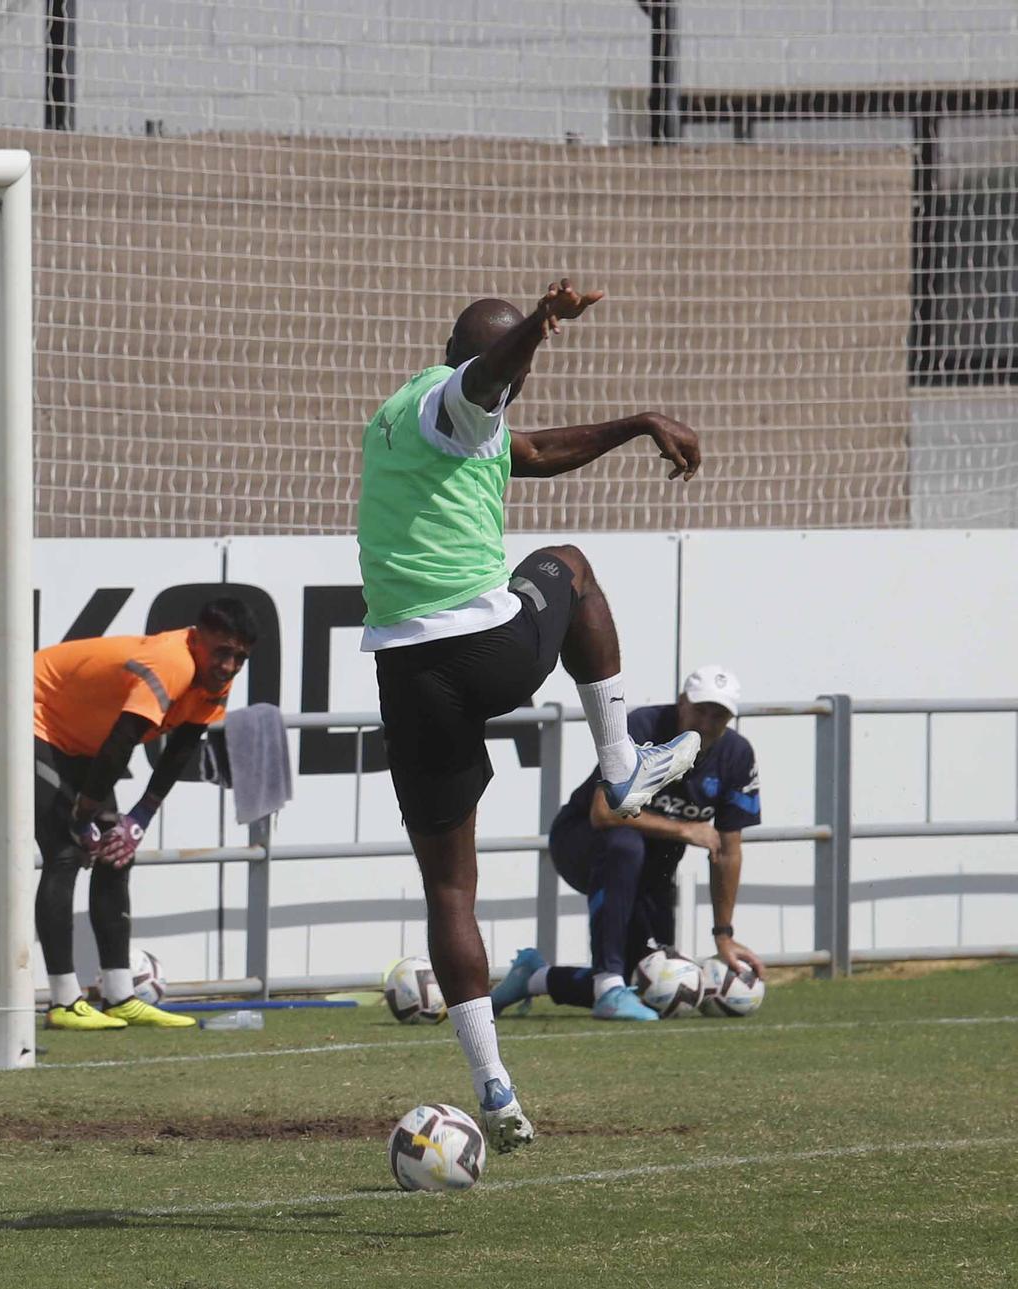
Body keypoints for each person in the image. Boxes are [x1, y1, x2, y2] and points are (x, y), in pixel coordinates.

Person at [357, 280, 706, 1153]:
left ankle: (495, 1089)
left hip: (406, 674)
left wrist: (636, 423)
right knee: (570, 564)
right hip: (478, 648)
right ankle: (622, 763)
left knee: (449, 890)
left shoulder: (404, 413)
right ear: (480, 363)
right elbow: (486, 381)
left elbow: (538, 450)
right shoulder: (460, 396)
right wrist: (537, 332)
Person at [494, 664, 767, 1020]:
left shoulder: (737, 756)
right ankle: (608, 983)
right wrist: (685, 830)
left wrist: (724, 936)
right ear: (682, 702)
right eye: (700, 709)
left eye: (719, 715)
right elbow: (604, 812)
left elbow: (727, 852)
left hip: (652, 868)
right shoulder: (644, 727)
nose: (707, 722)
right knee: (625, 843)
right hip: (583, 841)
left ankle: (535, 978)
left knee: (651, 984)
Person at [32, 599, 255, 1030]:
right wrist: (84, 816)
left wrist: (139, 819)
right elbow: (125, 738)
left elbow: (182, 747)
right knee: (65, 853)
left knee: (116, 854)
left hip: (82, 741)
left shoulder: (215, 677)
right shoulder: (173, 661)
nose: (229, 666)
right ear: (196, 638)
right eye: (223, 652)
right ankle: (62, 1003)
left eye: (240, 657)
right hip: (34, 715)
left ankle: (119, 996)